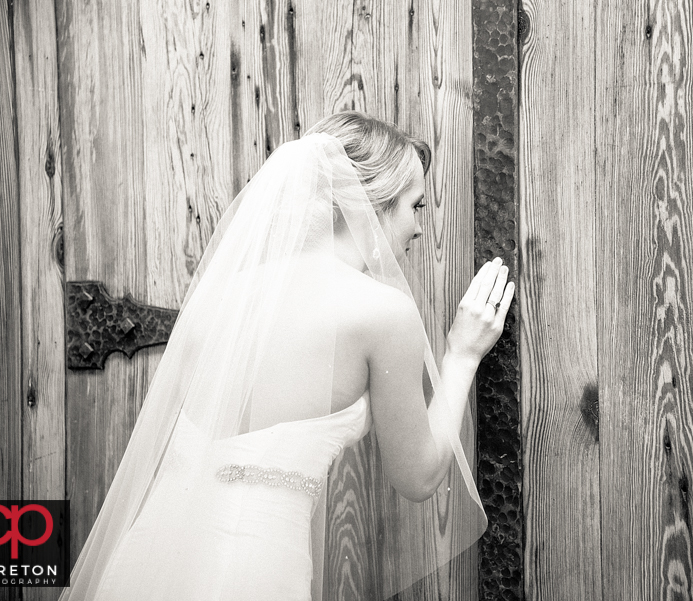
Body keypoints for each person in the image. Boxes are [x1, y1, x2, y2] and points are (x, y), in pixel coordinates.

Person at [59, 111, 514, 600]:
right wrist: (462, 354)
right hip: (254, 569)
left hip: (150, 557)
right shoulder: (382, 312)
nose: (420, 227)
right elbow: (420, 476)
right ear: (371, 203)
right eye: (416, 206)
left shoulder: (220, 297)